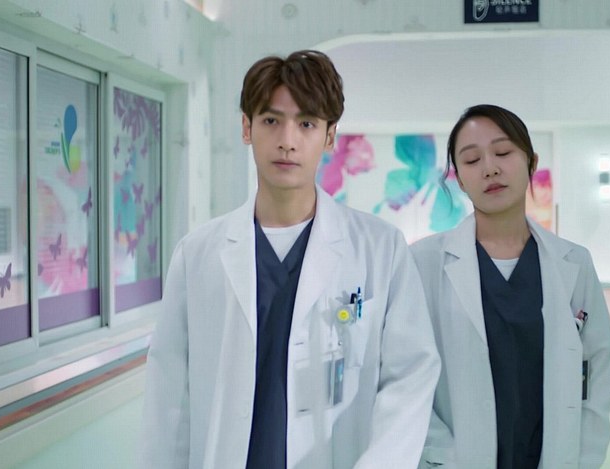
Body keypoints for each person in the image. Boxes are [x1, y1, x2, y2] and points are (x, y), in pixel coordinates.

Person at [139, 50, 440, 469]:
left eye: (307, 123)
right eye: (271, 120)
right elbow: (169, 394)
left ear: (330, 136)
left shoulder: (381, 248)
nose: (287, 140)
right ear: (246, 127)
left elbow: (410, 375)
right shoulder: (197, 254)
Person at [411, 104, 610, 469]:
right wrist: (443, 455)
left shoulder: (574, 263)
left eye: (503, 152)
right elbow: (407, 375)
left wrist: (585, 457)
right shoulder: (423, 263)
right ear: (459, 179)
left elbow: (597, 369)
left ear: (531, 162)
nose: (490, 168)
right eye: (472, 160)